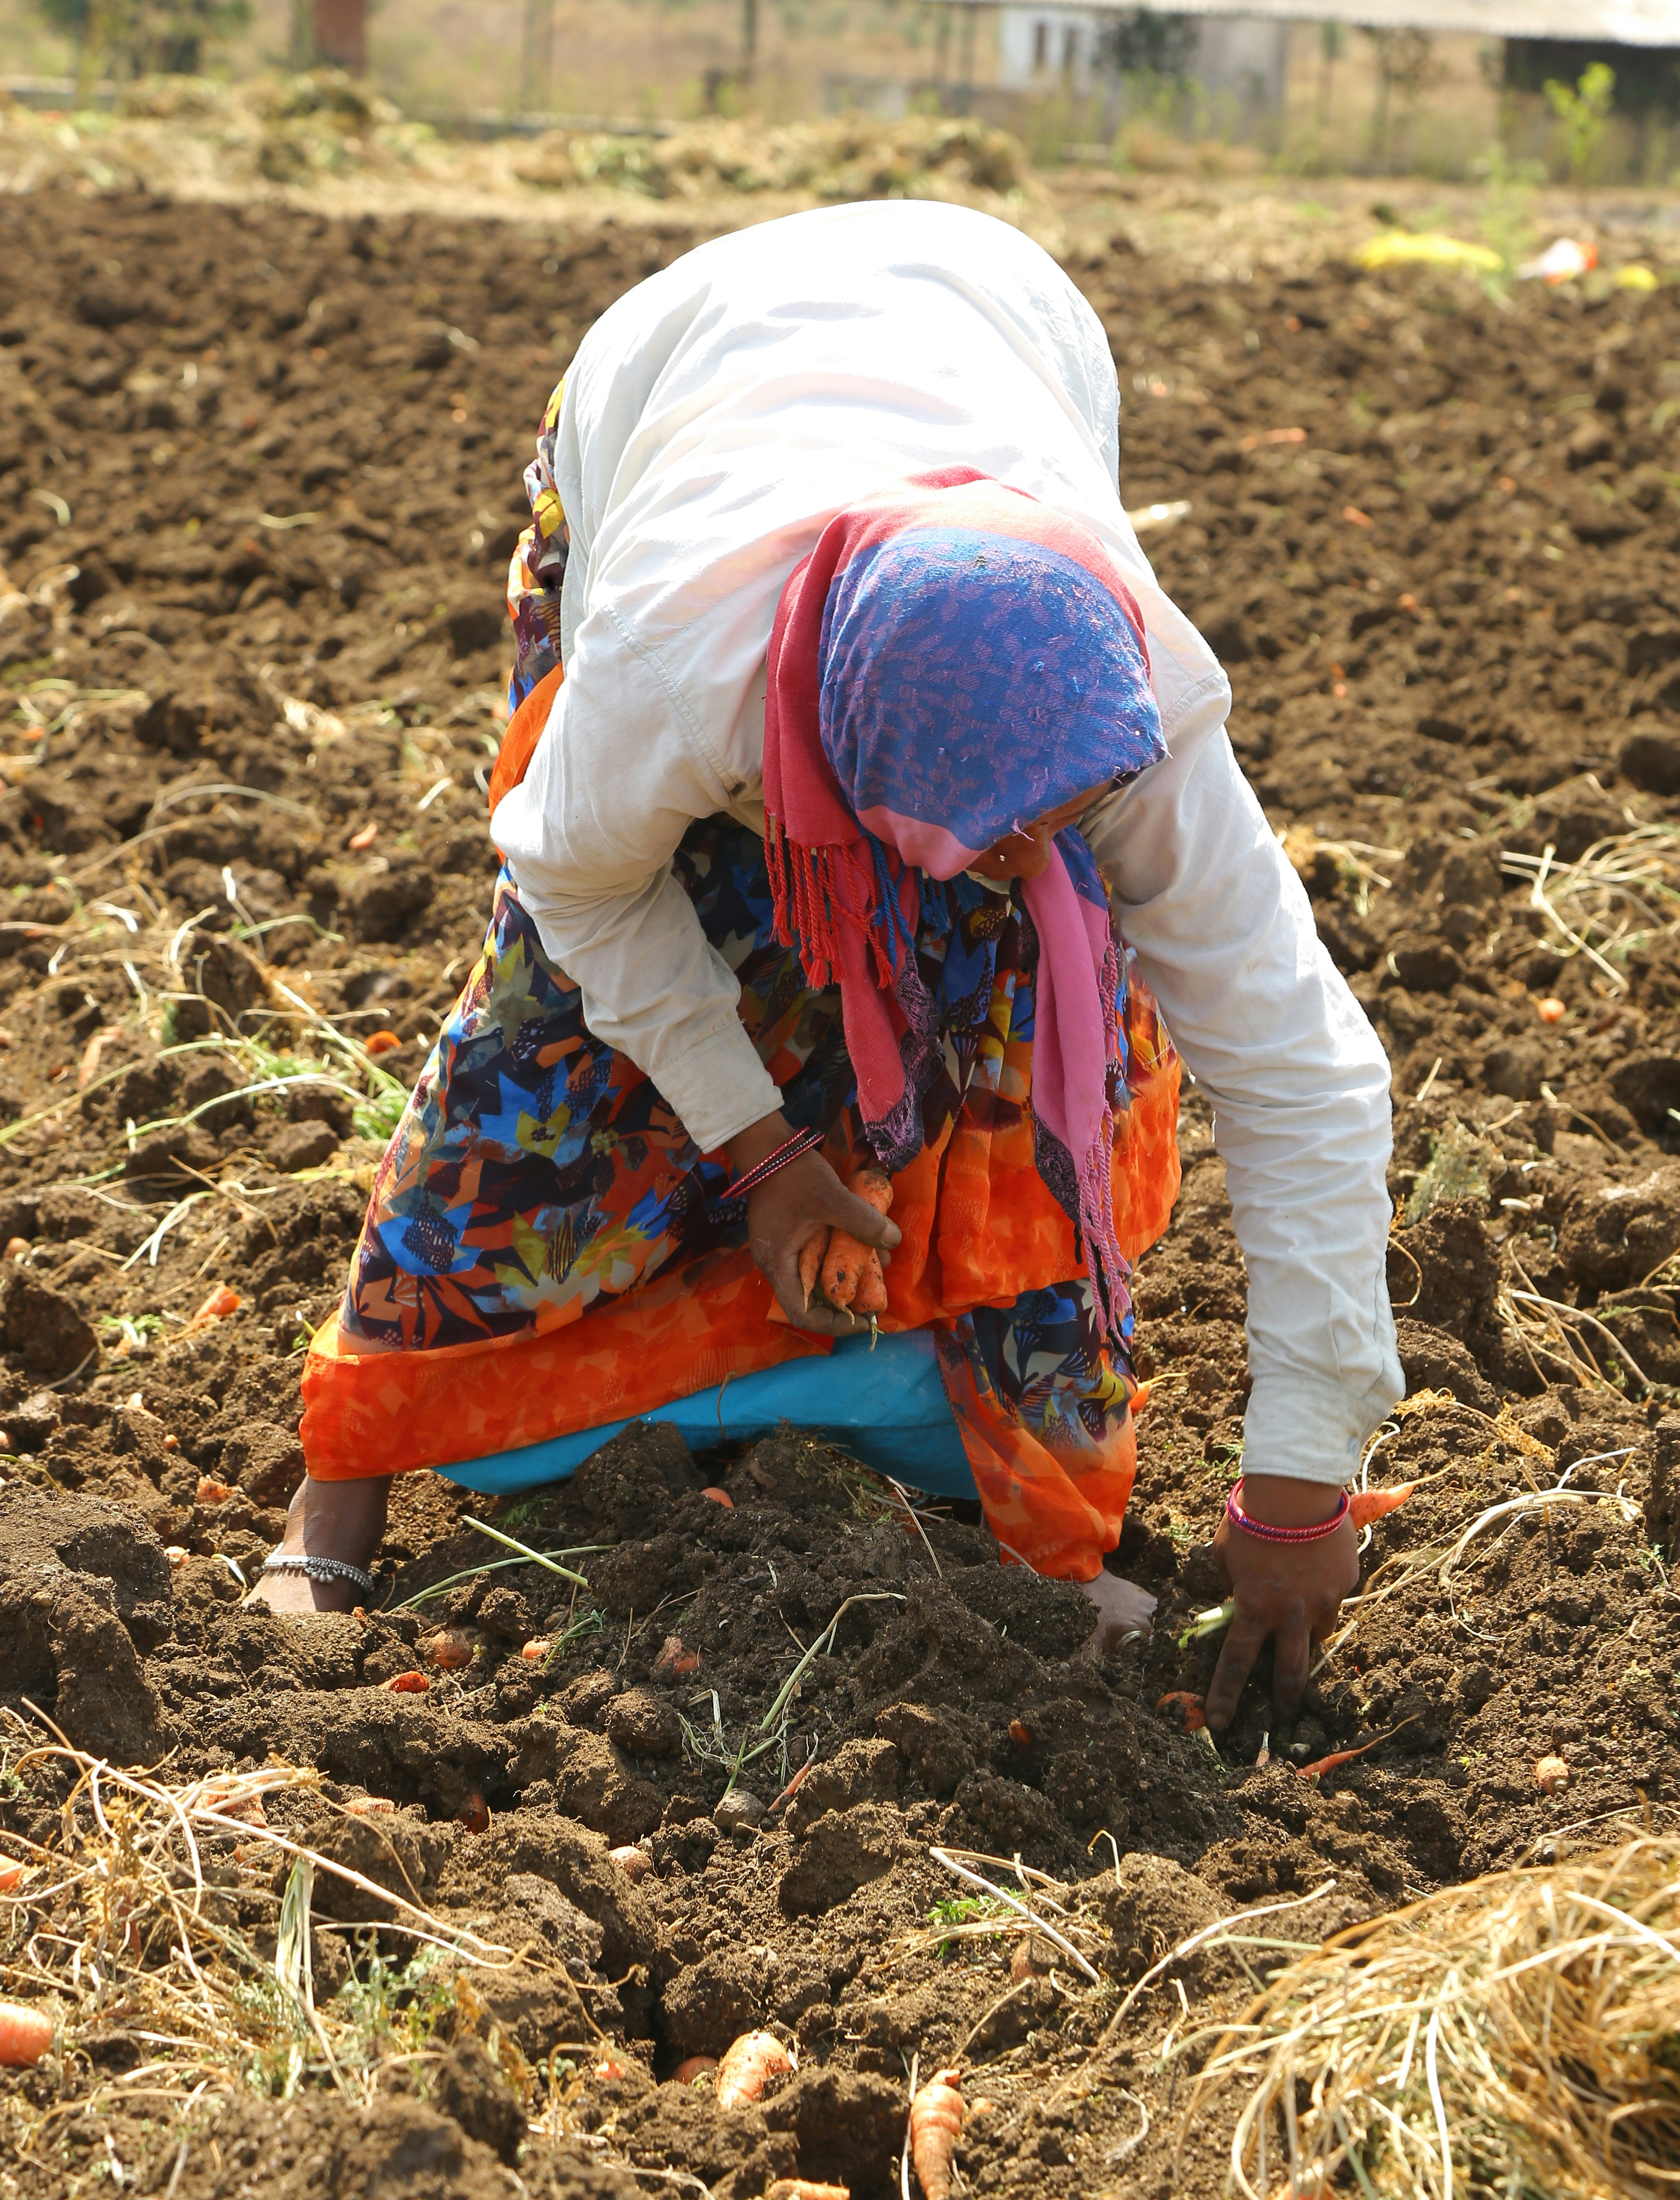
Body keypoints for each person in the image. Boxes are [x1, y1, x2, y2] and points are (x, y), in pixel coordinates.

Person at [255, 201, 1400, 1732]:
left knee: (1019, 1004)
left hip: (1000, 330)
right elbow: (581, 901)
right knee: (550, 1043)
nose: (1041, 855)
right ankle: (343, 1483)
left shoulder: (1133, 725)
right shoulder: (664, 682)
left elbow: (1303, 1067)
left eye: (1068, 818)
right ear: (852, 778)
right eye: (998, 834)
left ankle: (987, 1460)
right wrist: (766, 1149)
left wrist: (1301, 1484)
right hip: (672, 403)